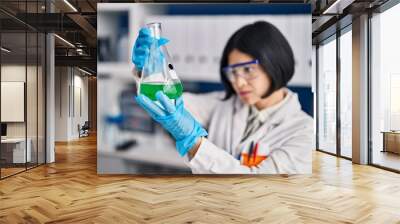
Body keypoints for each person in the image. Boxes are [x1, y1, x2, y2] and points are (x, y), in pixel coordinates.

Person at [132, 21, 313, 174]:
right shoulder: (223, 104)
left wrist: (193, 141)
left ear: (275, 63)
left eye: (248, 69)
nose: (238, 82)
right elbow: (163, 102)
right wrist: (149, 70)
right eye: (232, 72)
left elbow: (254, 188)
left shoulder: (304, 132)